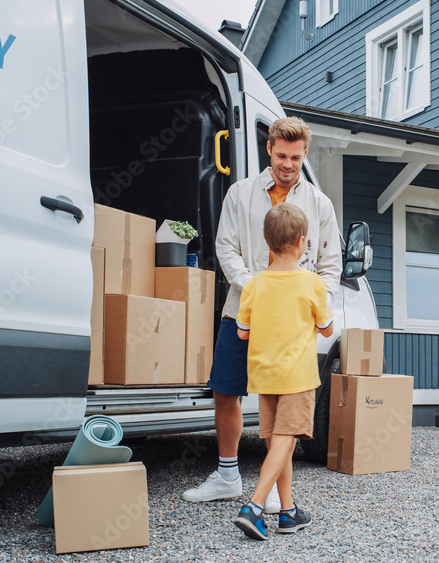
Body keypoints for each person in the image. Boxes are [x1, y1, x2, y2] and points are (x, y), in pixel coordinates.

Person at [181, 117, 341, 509]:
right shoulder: (240, 193)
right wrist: (256, 288)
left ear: (305, 154)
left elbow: (330, 265)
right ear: (268, 149)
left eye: (296, 157)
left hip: (293, 325)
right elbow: (226, 248)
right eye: (282, 155)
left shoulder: (319, 204)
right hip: (243, 309)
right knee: (225, 390)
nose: (288, 164)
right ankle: (227, 475)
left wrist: (308, 299)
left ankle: (271, 490)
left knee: (278, 404)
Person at [233, 202, 334, 540]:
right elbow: (327, 329)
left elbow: (242, 332)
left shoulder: (254, 285)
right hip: (297, 376)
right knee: (286, 440)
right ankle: (254, 506)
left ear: (268, 242)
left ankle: (288, 512)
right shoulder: (312, 283)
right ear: (303, 242)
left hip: (264, 375)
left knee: (279, 443)